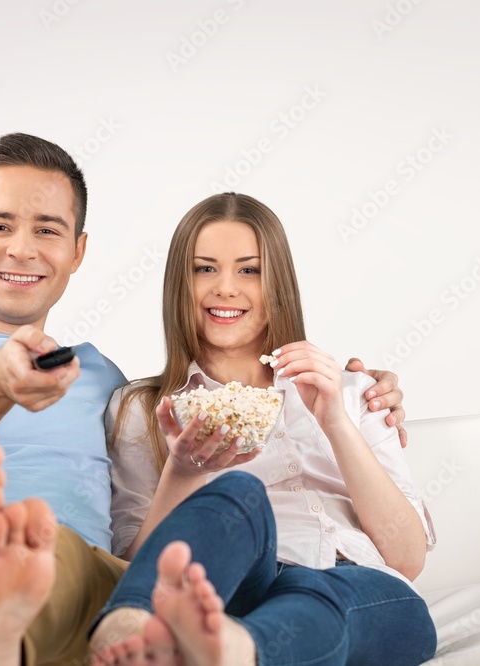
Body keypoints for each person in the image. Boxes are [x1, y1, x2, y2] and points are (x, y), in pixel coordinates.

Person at [0, 134, 408, 665]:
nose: (22, 248)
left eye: (46, 229)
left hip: (84, 572)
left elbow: (163, 503)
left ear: (77, 250)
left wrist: (364, 394)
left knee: (57, 563)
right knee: (10, 576)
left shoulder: (98, 378)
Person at [89, 193, 436, 665]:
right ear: (179, 283)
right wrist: (185, 472)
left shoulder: (354, 391)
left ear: (278, 284)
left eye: (249, 270)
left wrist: (334, 419)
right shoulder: (141, 409)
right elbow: (133, 562)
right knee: (238, 491)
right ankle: (127, 634)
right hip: (234, 580)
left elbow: (406, 558)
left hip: (356, 587)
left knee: (321, 596)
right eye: (204, 268)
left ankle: (236, 649)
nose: (226, 288)